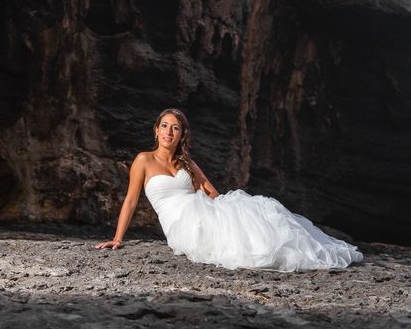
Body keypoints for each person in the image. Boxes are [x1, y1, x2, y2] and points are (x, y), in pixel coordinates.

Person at [95, 108, 363, 272]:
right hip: (181, 223)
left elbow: (211, 191)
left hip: (203, 208)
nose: (169, 132)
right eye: (164, 126)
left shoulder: (186, 162)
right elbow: (130, 201)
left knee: (256, 213)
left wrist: (229, 208)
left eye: (175, 128)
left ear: (181, 135)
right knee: (235, 245)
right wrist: (118, 238)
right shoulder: (143, 160)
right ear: (155, 131)